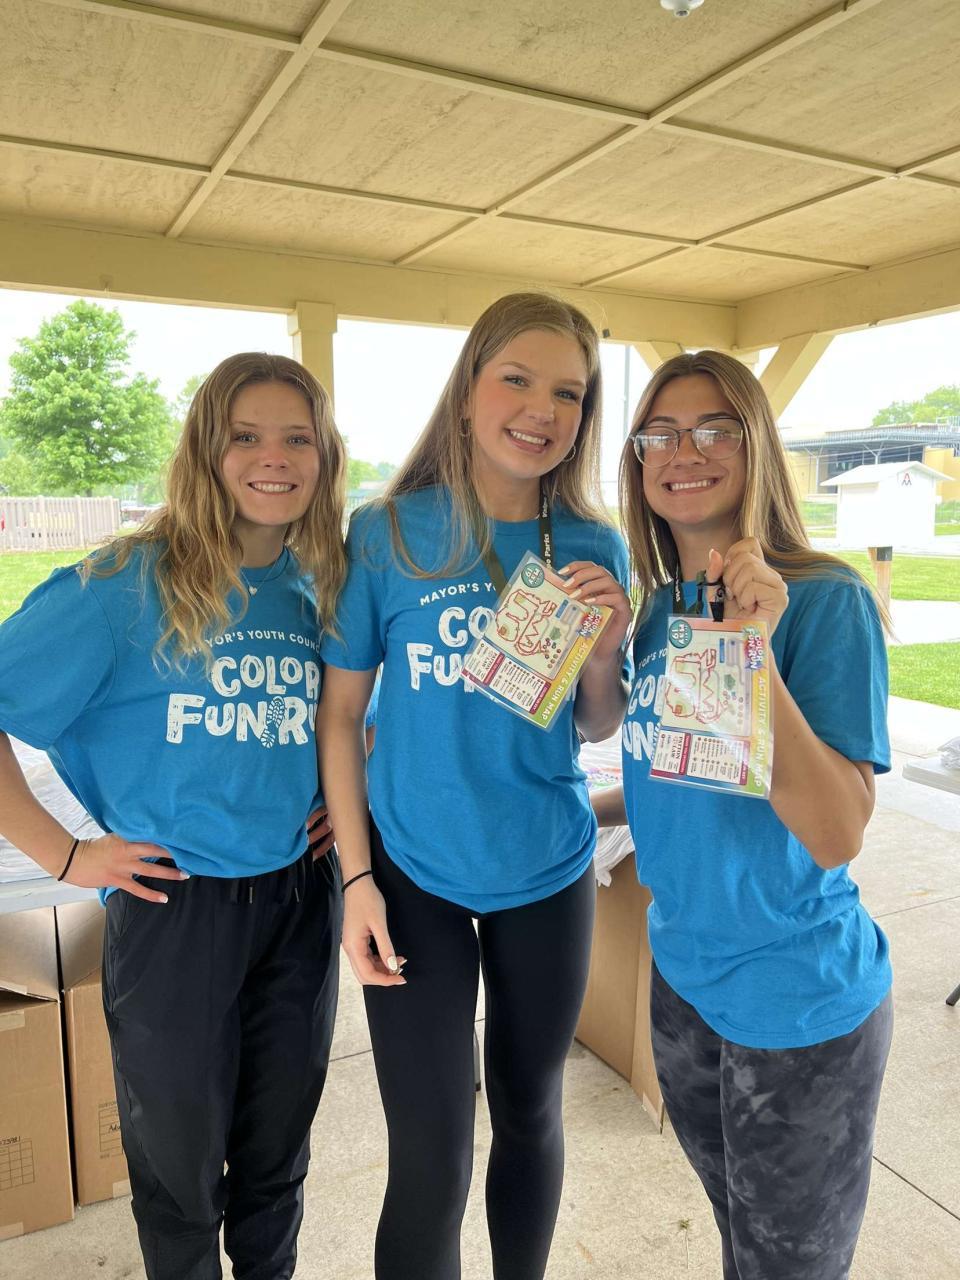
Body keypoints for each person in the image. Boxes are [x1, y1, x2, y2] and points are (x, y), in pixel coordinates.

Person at [0, 352, 347, 1280]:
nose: (273, 457)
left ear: (324, 457)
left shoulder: (319, 585)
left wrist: (334, 800)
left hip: (299, 900)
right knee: (180, 1171)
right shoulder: (124, 585)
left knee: (277, 1156)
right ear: (205, 450)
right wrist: (66, 857)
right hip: (175, 905)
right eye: (246, 436)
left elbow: (344, 718)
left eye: (297, 438)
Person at [317, 292, 633, 1280]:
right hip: (412, 873)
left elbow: (595, 724)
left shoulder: (592, 544)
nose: (543, 409)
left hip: (546, 866)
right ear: (466, 392)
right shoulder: (387, 535)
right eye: (517, 379)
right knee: (432, 1146)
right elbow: (340, 717)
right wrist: (356, 881)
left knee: (531, 1110)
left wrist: (605, 648)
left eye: (569, 393)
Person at [610, 350, 893, 1280]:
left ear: (756, 444)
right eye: (659, 434)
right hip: (684, 982)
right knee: (741, 1237)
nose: (683, 452)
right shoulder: (659, 610)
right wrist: (576, 810)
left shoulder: (825, 600)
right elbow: (683, 772)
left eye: (713, 429)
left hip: (795, 996)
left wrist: (751, 653)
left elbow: (837, 831)